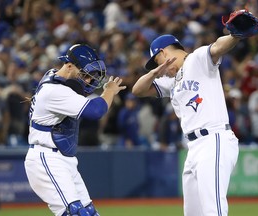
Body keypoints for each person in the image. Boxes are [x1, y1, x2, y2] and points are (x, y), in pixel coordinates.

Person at [132, 32, 242, 215]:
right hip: (193, 148)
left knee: (213, 210)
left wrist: (235, 35)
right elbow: (138, 90)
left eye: (158, 62)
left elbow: (218, 47)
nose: (162, 68)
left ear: (163, 53)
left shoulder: (197, 59)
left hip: (213, 139)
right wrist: (154, 73)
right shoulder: (172, 81)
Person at [24, 44, 126, 216]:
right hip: (47, 157)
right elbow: (95, 111)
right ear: (69, 66)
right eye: (85, 75)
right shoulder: (54, 91)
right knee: (76, 213)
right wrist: (109, 91)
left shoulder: (53, 77)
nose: (88, 81)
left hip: (63, 158)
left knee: (89, 213)